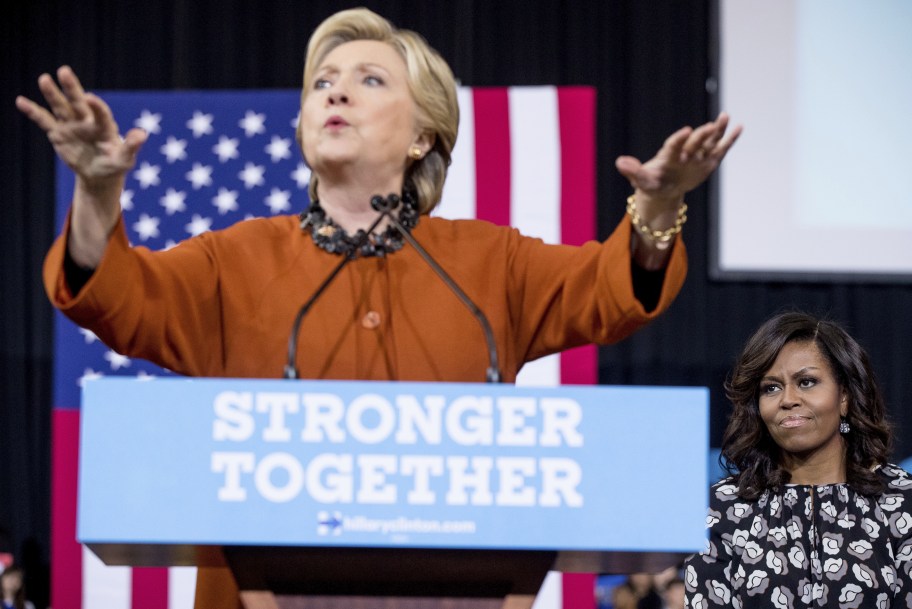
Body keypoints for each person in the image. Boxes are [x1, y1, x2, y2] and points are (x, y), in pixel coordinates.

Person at [17, 7, 740, 608]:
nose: (334, 94)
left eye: (368, 80)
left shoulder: (490, 263)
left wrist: (659, 206)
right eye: (322, 83)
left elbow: (612, 287)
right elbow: (115, 296)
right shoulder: (233, 260)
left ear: (424, 132)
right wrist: (96, 196)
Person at [684, 312, 912, 608]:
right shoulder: (722, 508)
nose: (787, 399)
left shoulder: (911, 505)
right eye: (771, 387)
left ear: (845, 397)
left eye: (807, 382)